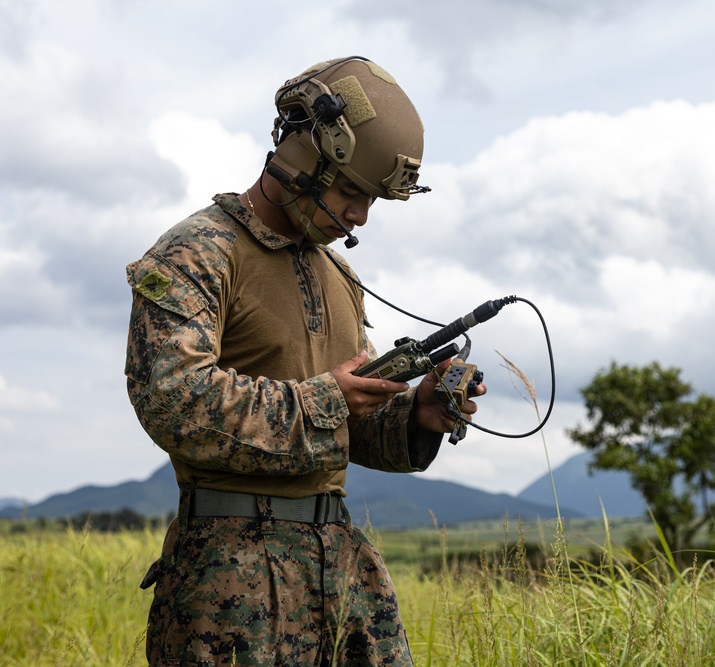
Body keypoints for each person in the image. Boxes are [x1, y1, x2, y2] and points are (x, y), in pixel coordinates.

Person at [125, 56, 483, 666]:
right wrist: (330, 399)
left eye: (370, 200)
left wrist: (415, 412)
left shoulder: (339, 275)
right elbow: (173, 402)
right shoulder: (197, 253)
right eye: (349, 191)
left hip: (342, 576)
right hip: (228, 588)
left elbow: (350, 423)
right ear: (300, 152)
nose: (358, 216)